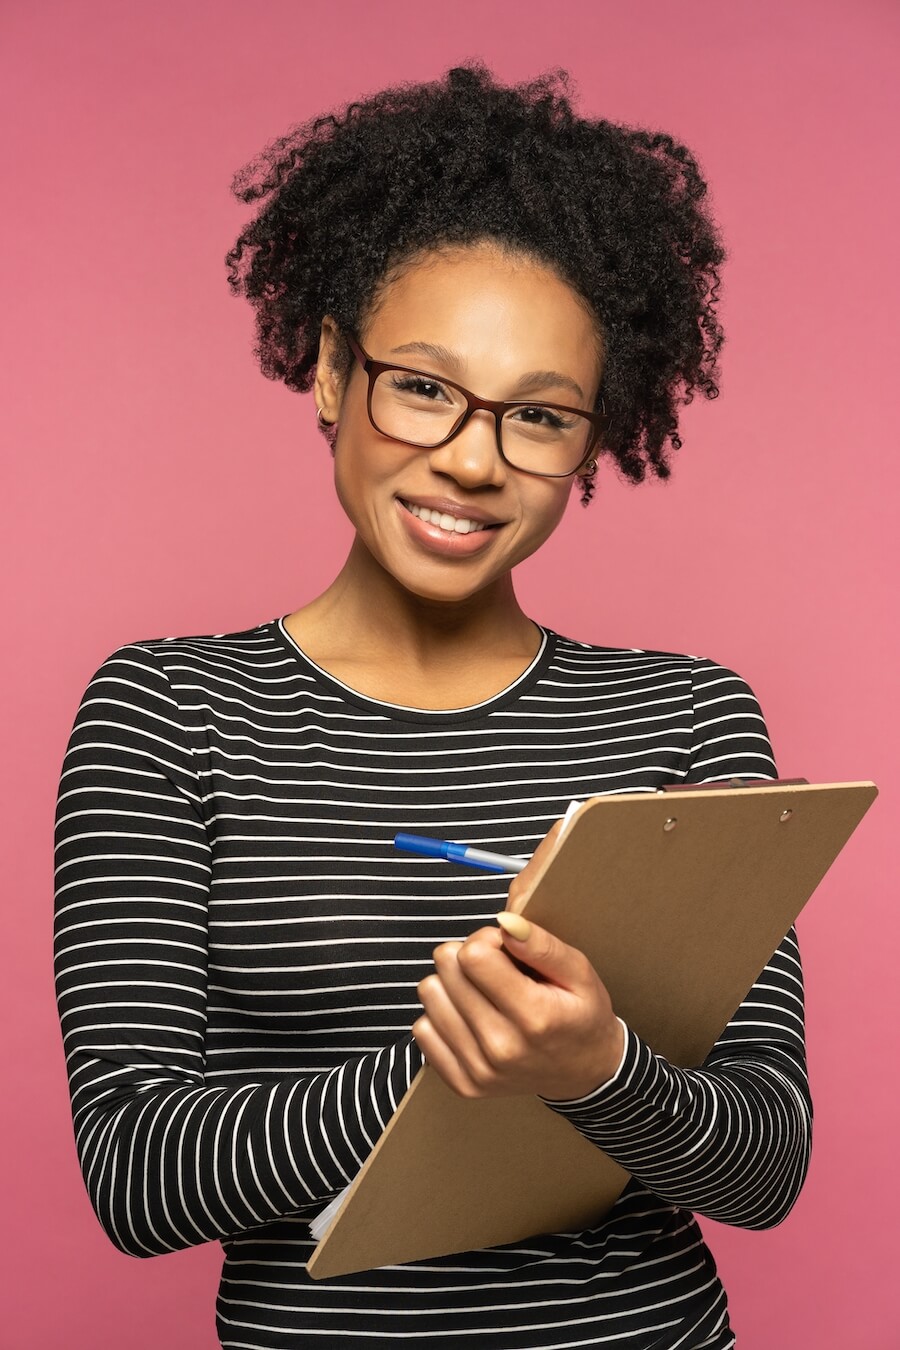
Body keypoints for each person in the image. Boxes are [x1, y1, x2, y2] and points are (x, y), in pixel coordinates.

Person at [53, 64, 812, 1350]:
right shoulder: (169, 711)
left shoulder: (686, 722)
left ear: (592, 441)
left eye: (540, 417)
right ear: (334, 371)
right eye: (424, 385)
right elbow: (136, 1177)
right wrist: (450, 1064)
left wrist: (598, 1070)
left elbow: (767, 1167)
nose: (473, 457)